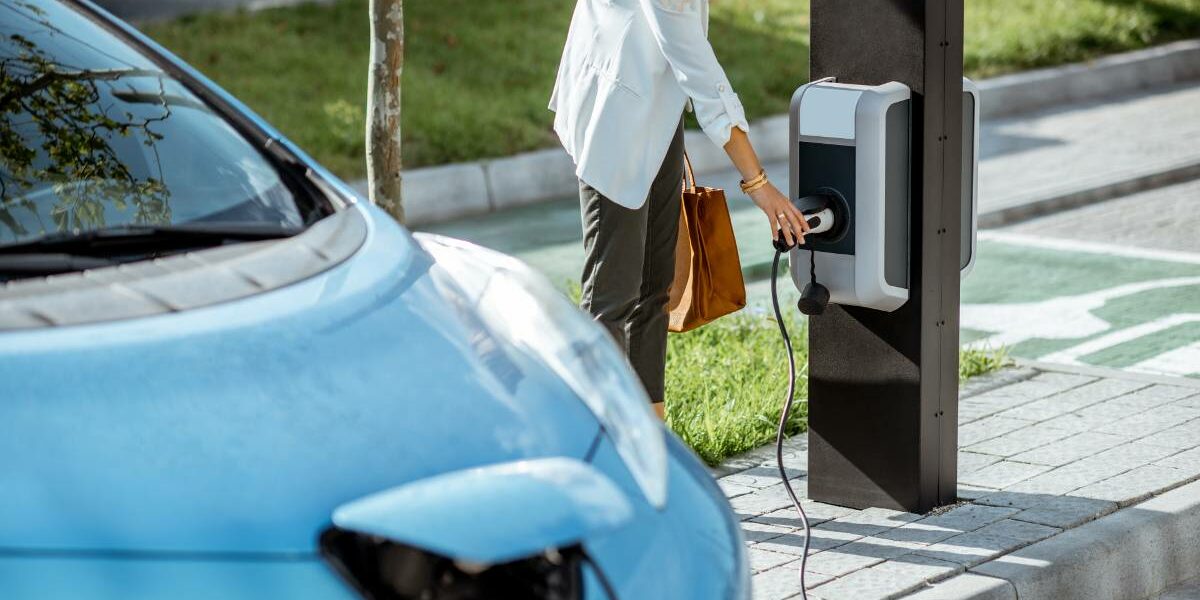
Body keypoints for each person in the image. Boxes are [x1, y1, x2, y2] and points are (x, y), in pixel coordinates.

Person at [549, 0, 808, 418]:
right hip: (612, 115)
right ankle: (595, 442)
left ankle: (653, 435)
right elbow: (702, 75)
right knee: (611, 299)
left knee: (654, 289)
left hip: (654, 108)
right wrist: (759, 185)